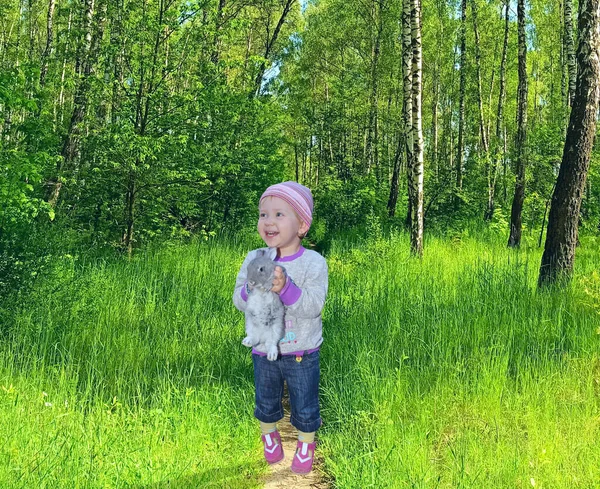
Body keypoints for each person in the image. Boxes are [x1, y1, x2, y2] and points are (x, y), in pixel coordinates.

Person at [232, 181, 328, 474]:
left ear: (301, 225)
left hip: (302, 351)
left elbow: (313, 307)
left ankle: (306, 443)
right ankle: (270, 436)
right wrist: (252, 287)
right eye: (263, 215)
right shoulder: (254, 257)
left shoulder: (314, 263)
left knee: (305, 403)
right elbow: (238, 298)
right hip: (264, 350)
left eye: (278, 214)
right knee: (265, 400)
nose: (268, 221)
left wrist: (286, 287)